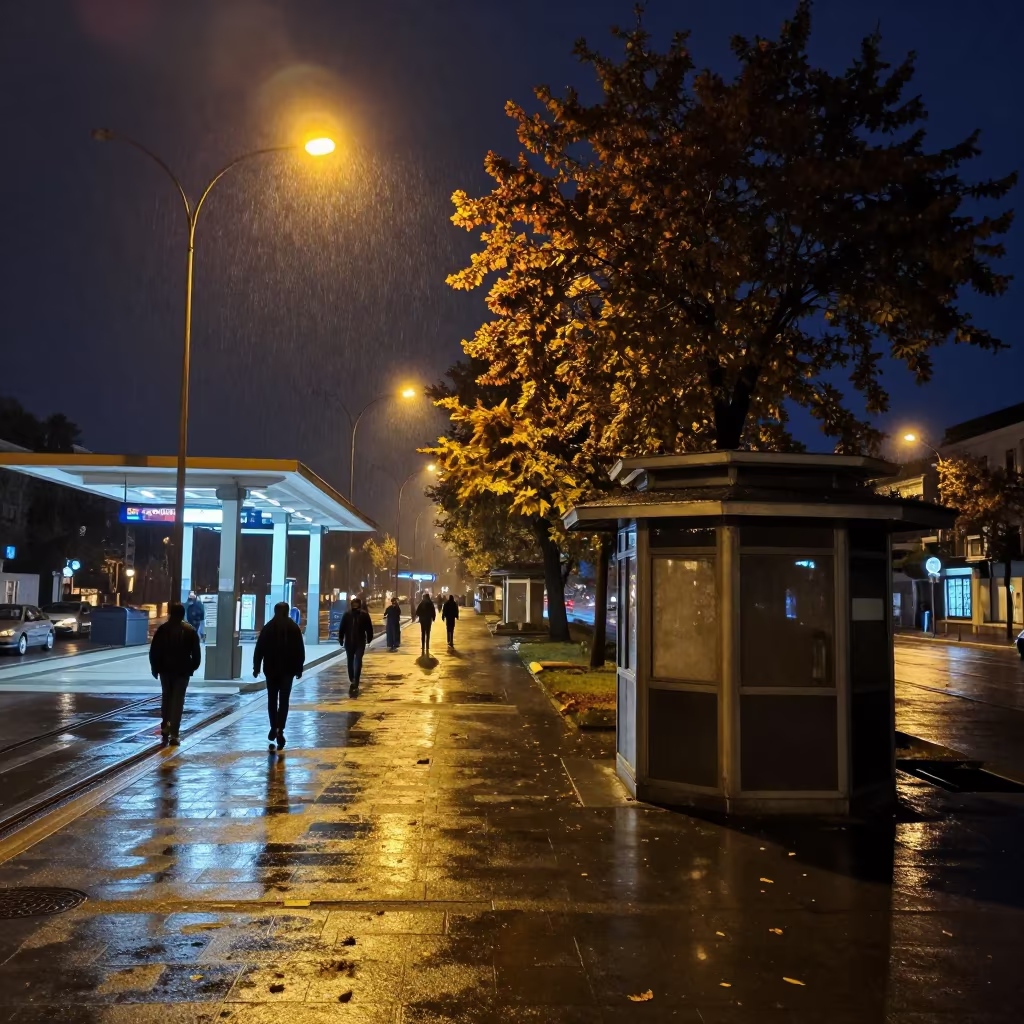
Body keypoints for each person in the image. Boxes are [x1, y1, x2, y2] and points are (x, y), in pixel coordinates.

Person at [253, 600, 305, 750]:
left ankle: (273, 726)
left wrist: (256, 667)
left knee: (271, 699)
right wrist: (299, 668)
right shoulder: (293, 627)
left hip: (271, 670)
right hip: (288, 671)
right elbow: (300, 650)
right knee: (284, 700)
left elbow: (259, 648)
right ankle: (280, 729)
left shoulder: (268, 627)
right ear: (287, 612)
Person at [149, 601, 202, 746]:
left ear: (170, 613)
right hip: (182, 671)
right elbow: (196, 654)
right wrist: (192, 667)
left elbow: (154, 651)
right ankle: (174, 733)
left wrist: (155, 668)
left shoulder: (162, 629)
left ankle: (165, 724)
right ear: (183, 614)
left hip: (165, 670)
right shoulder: (190, 630)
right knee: (178, 701)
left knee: (167, 697)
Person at [338, 596, 374, 695]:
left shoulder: (349, 614)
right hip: (355, 642)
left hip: (354, 642)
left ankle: (354, 679)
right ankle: (354, 679)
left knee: (354, 660)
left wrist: (341, 638)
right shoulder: (354, 614)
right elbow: (369, 629)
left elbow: (342, 628)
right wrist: (369, 638)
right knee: (354, 661)